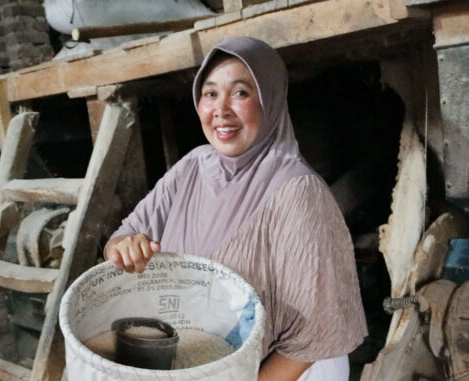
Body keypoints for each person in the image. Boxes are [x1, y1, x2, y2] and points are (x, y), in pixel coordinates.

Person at [104, 36, 367, 381]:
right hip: (212, 364)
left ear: (270, 101)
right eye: (210, 93)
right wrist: (123, 248)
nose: (221, 110)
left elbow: (319, 331)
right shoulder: (193, 167)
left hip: (291, 371)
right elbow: (122, 237)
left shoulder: (298, 191)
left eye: (240, 93)